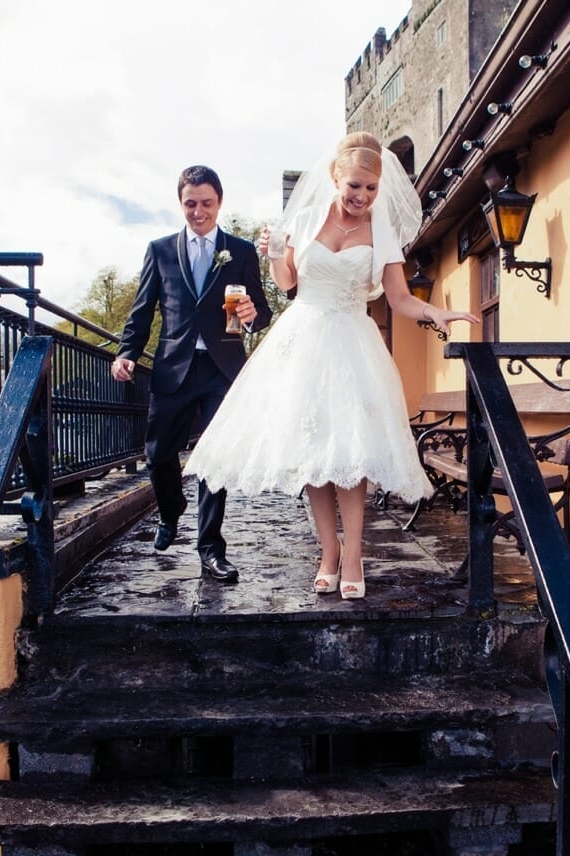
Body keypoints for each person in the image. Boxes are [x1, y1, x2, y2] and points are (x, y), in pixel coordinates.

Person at [183, 132, 478, 599]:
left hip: (352, 343)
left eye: (371, 188)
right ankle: (328, 551)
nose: (362, 196)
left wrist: (434, 313)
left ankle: (354, 551)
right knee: (314, 454)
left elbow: (399, 298)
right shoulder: (304, 219)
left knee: (351, 454)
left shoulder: (380, 230)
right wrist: (275, 253)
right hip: (303, 340)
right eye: (354, 186)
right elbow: (288, 283)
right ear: (335, 178)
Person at [111, 165, 273, 583]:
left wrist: (253, 316)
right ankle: (171, 510)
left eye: (206, 203)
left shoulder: (241, 251)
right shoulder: (160, 250)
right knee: (157, 455)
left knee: (215, 459)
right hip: (174, 367)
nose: (198, 212)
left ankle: (211, 549)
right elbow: (142, 310)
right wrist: (127, 353)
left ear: (220, 202)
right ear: (180, 203)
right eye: (190, 204)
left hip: (222, 368)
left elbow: (261, 311)